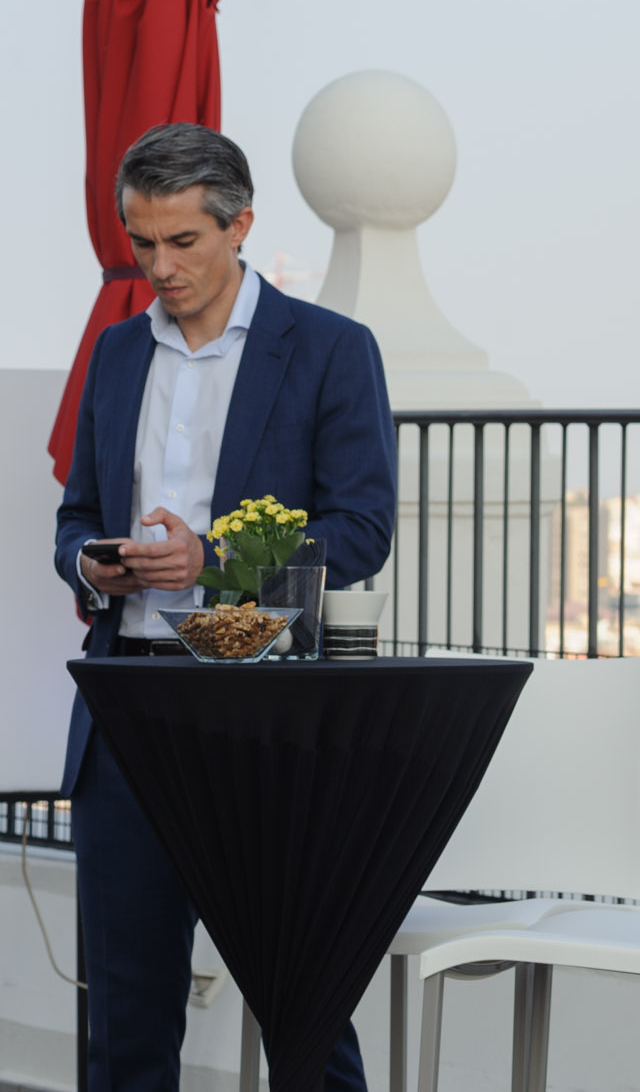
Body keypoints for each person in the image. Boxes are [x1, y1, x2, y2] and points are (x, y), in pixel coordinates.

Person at [54, 125, 397, 1092]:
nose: (160, 267)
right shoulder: (116, 354)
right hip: (125, 711)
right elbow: (77, 516)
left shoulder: (331, 351)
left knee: (304, 1016)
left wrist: (210, 561)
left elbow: (361, 531)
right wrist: (96, 566)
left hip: (262, 717)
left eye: (183, 242)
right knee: (123, 1029)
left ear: (240, 225)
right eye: (142, 243)